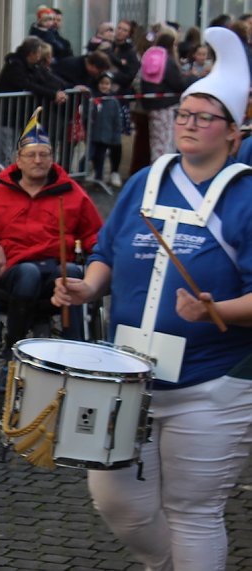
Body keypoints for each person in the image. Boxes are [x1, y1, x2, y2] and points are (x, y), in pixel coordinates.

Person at [52, 27, 252, 571]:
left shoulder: (248, 194)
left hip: (211, 380)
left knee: (193, 509)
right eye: (184, 114)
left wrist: (217, 309)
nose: (188, 124)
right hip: (128, 376)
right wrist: (88, 285)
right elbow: (108, 252)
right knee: (114, 497)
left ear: (234, 133)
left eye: (203, 117)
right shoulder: (145, 180)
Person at [0, 107, 102, 367]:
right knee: (28, 274)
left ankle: (77, 356)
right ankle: (12, 352)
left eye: (44, 154)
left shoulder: (72, 192)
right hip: (15, 271)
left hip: (56, 269)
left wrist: (101, 260)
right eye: (31, 155)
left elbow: (95, 234)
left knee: (73, 273)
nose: (37, 160)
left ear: (52, 157)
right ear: (19, 158)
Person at [0, 37, 68, 164]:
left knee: (13, 150)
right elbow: (27, 84)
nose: (40, 56)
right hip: (5, 115)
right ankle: (1, 181)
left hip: (18, 116)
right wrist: (52, 94)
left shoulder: (33, 66)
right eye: (38, 53)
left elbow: (48, 79)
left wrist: (66, 88)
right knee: (4, 151)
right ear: (31, 54)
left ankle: (7, 178)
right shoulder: (14, 65)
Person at [141, 28, 196, 162]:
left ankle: (157, 167)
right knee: (166, 142)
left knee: (157, 142)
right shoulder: (168, 61)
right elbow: (178, 84)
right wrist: (193, 78)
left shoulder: (150, 56)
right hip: (167, 106)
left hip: (152, 106)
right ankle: (163, 170)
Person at [90, 72, 124, 186]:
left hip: (107, 135)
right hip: (94, 135)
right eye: (102, 83)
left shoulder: (114, 101)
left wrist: (116, 135)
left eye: (107, 83)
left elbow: (117, 120)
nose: (104, 86)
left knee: (101, 157)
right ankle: (92, 176)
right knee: (92, 155)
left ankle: (99, 179)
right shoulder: (94, 99)